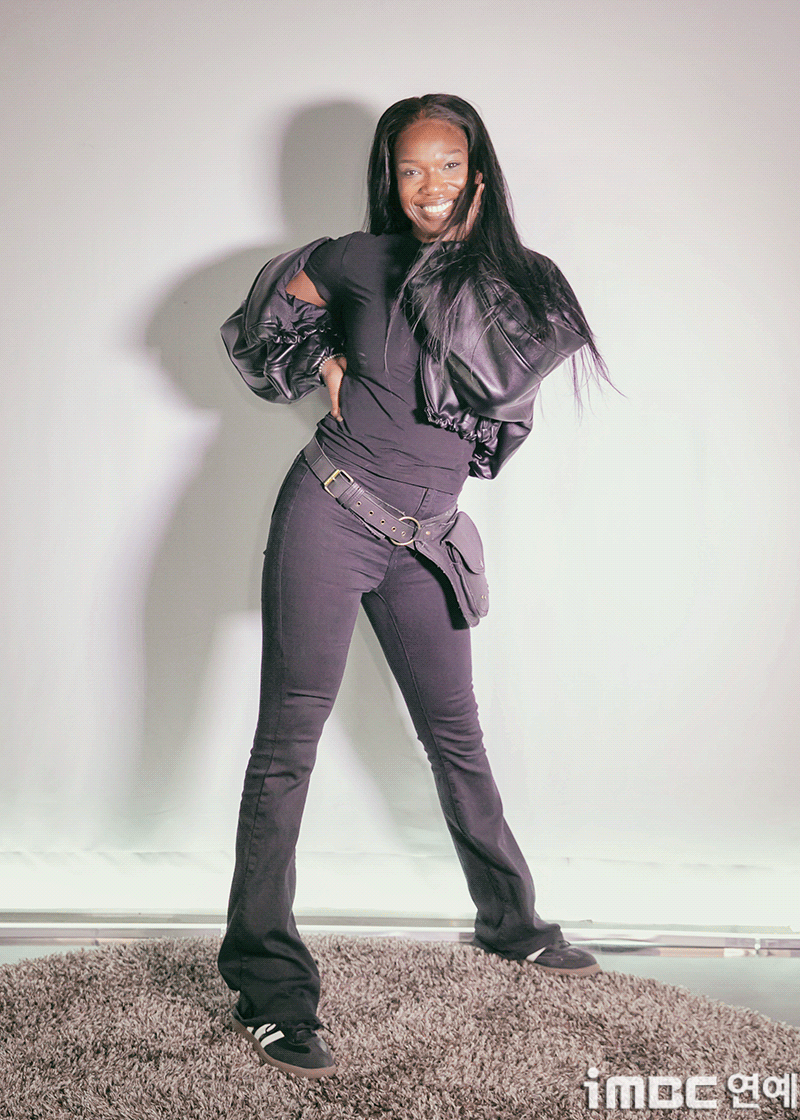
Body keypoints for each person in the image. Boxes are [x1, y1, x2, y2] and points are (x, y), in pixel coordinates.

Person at [217, 93, 612, 1079]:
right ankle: (269, 987)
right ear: (388, 178)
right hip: (330, 512)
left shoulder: (524, 283)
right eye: (409, 169)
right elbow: (263, 327)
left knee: (456, 736)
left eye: (446, 165)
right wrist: (324, 359)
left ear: (477, 172)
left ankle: (511, 922)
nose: (427, 186)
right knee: (286, 747)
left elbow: (500, 408)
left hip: (427, 539)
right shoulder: (355, 258)